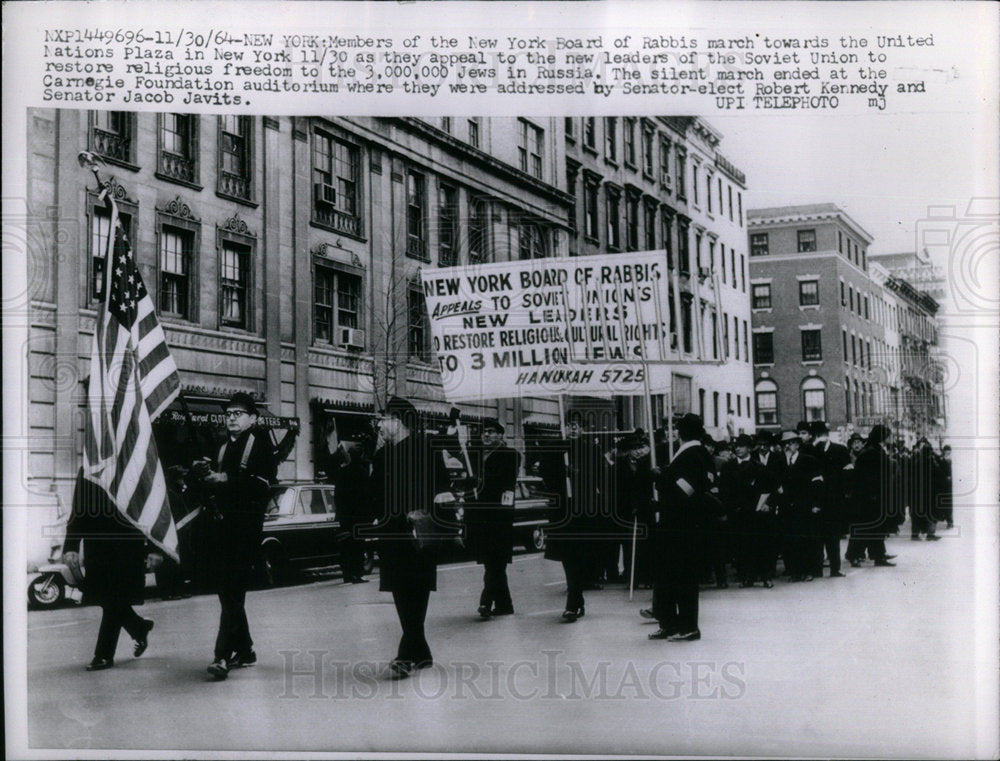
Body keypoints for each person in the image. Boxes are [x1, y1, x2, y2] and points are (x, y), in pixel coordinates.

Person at [201, 392, 275, 680]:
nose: (231, 417)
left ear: (253, 419)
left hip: (245, 533)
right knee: (228, 593)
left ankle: (221, 656)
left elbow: (262, 487)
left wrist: (225, 480)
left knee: (231, 592)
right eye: (229, 413)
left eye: (238, 413)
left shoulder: (261, 446)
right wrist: (201, 475)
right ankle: (246, 650)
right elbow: (214, 488)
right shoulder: (221, 449)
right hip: (222, 531)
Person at [367, 396, 442, 679]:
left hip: (418, 532)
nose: (380, 425)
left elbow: (441, 487)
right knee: (400, 589)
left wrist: (423, 510)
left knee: (417, 589)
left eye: (383, 420)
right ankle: (420, 652)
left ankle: (405, 654)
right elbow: (373, 493)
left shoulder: (425, 448)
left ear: (398, 422)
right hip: (391, 533)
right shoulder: (382, 454)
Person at [61, 471, 154, 671]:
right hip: (98, 545)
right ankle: (138, 627)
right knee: (107, 598)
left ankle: (103, 654)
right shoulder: (89, 465)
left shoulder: (132, 456)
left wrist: (155, 549)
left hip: (128, 545)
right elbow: (79, 509)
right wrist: (71, 546)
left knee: (113, 600)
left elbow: (150, 504)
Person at [648, 413, 714, 642]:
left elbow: (689, 487)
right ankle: (669, 622)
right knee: (668, 575)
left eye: (676, 429)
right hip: (677, 523)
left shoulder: (694, 453)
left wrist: (663, 475)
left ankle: (688, 626)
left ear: (682, 432)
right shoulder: (697, 452)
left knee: (682, 576)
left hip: (682, 524)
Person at [542, 410, 608, 622]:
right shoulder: (555, 450)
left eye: (576, 425)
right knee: (568, 556)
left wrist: (580, 475)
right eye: (569, 424)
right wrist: (562, 472)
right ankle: (575, 599)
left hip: (584, 512)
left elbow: (602, 478)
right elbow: (545, 476)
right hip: (563, 513)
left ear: (582, 429)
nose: (572, 428)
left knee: (580, 556)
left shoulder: (591, 449)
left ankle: (574, 599)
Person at [465, 418, 521, 618]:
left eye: (491, 431)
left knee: (495, 562)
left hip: (498, 516)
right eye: (483, 432)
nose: (486, 435)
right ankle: (505, 605)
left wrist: (479, 482)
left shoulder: (511, 455)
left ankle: (486, 601)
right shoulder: (475, 455)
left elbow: (504, 481)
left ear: (500, 435)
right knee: (493, 563)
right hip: (479, 517)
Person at [323, 422, 373, 583]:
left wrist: (340, 512)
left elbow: (337, 494)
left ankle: (347, 573)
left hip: (345, 516)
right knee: (357, 545)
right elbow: (366, 496)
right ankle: (356, 573)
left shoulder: (343, 472)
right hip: (358, 517)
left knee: (345, 546)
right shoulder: (363, 473)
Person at [722, 434, 773, 589]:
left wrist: (767, 505)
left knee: (761, 545)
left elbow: (768, 489)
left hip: (756, 512)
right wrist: (729, 508)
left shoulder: (759, 467)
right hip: (738, 513)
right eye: (736, 446)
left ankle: (765, 577)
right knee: (742, 546)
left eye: (742, 446)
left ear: (749, 448)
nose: (738, 449)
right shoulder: (728, 467)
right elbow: (724, 490)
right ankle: (746, 577)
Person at [845, 424, 901, 567]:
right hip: (869, 498)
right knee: (866, 527)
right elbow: (867, 477)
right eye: (888, 435)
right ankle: (855, 555)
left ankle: (878, 554)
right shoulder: (872, 452)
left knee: (875, 527)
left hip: (872, 497)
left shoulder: (874, 450)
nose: (890, 438)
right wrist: (873, 495)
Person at [778, 430, 824, 582]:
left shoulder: (808, 460)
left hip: (805, 506)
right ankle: (795, 571)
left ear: (797, 444)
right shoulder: (780, 462)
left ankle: (809, 570)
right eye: (785, 444)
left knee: (806, 539)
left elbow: (817, 483)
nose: (788, 446)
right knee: (790, 540)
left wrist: (816, 503)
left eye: (791, 443)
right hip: (787, 507)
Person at [809, 421, 850, 577]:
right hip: (816, 500)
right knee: (817, 536)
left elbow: (848, 474)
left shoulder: (840, 450)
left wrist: (844, 494)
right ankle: (817, 569)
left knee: (833, 536)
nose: (821, 438)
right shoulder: (811, 452)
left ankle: (835, 568)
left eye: (823, 434)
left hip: (834, 500)